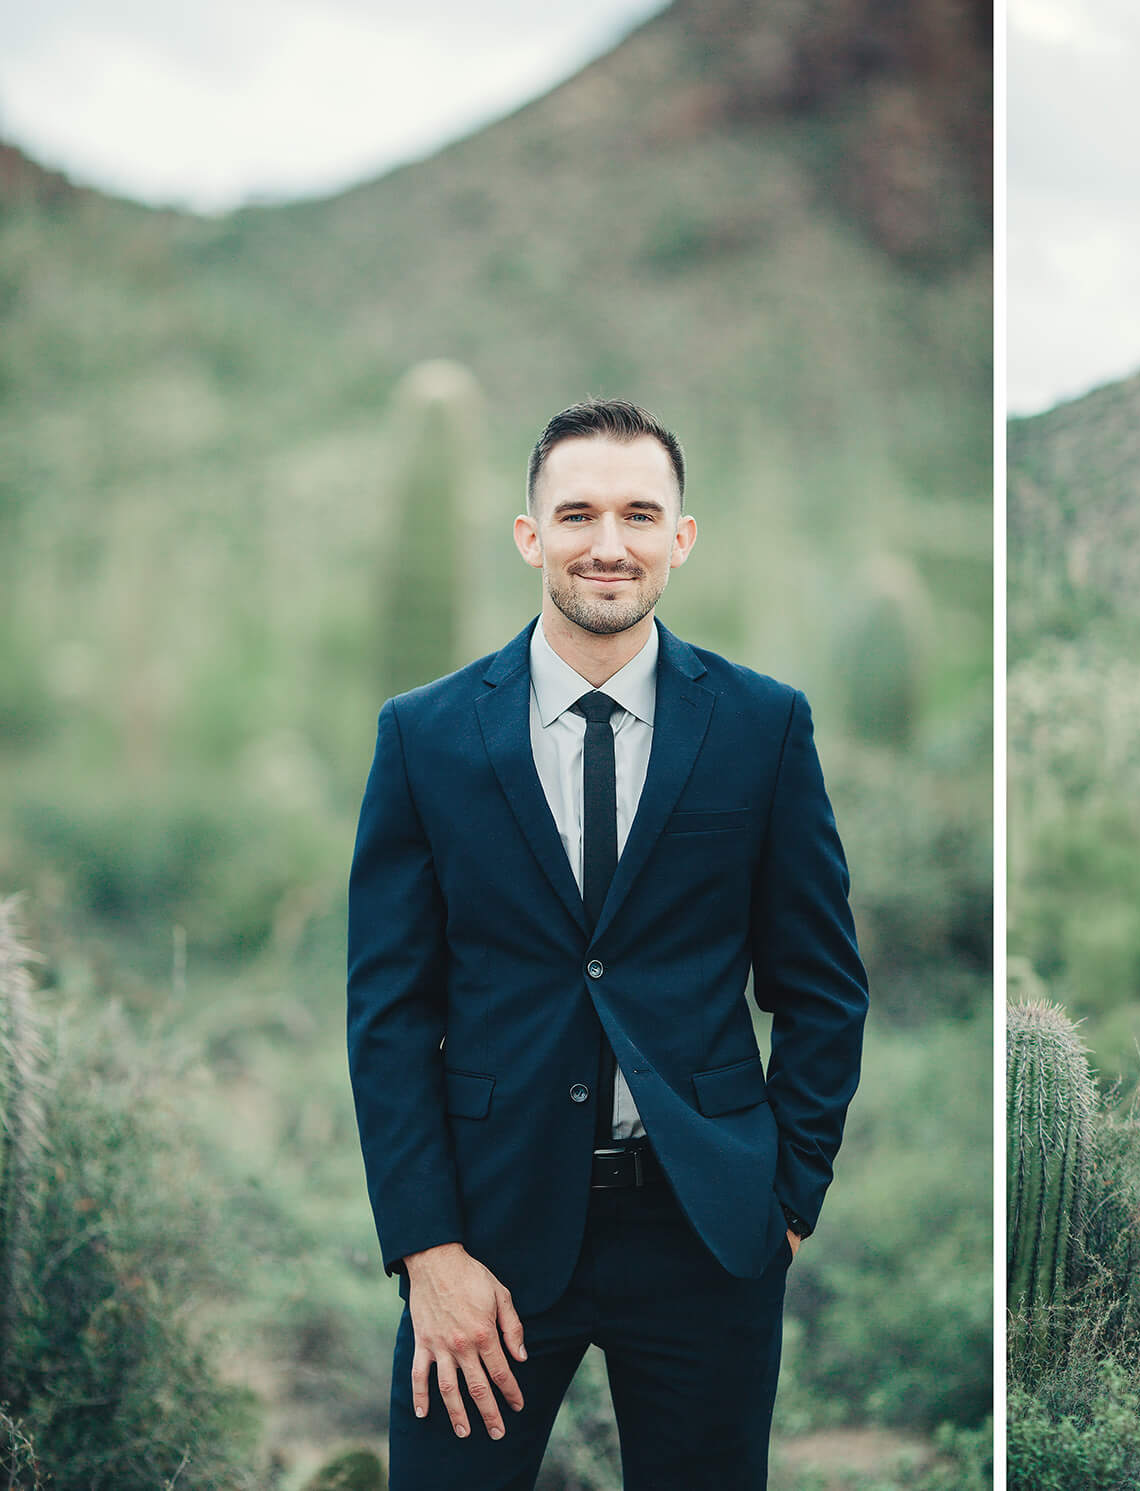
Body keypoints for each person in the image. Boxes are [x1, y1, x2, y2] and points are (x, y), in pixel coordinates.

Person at [347, 397, 868, 1488]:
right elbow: (390, 1016)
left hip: (705, 1229)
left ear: (680, 538)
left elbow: (821, 987)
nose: (608, 544)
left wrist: (786, 1203)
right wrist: (428, 1251)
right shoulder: (425, 735)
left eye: (639, 513)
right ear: (531, 535)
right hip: (484, 1232)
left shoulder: (763, 725)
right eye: (577, 513)